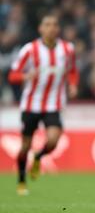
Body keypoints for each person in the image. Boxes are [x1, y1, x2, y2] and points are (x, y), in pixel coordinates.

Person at [8, 14, 78, 196]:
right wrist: (25, 76)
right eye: (47, 24)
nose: (51, 28)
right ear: (40, 29)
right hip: (31, 105)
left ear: (58, 29)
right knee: (25, 146)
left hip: (53, 104)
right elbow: (12, 75)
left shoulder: (67, 49)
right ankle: (22, 179)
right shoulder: (29, 50)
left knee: (53, 140)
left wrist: (73, 85)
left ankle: (38, 157)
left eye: (54, 24)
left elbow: (72, 71)